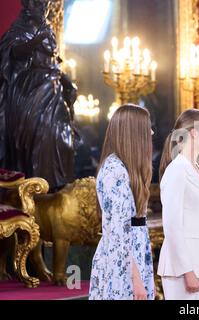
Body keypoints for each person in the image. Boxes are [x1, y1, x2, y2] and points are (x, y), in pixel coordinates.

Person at [0, 0, 77, 191]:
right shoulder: (19, 29)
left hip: (52, 88)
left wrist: (67, 81)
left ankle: (56, 185)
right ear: (27, 6)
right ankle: (36, 187)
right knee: (42, 135)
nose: (43, 8)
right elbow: (12, 53)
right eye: (38, 4)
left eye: (46, 4)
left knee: (62, 135)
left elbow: (53, 61)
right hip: (30, 89)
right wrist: (35, 40)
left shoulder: (47, 29)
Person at [89, 104, 155, 300]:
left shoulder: (123, 168)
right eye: (147, 128)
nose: (151, 132)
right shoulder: (114, 171)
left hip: (132, 258)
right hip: (123, 266)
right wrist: (136, 279)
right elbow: (119, 232)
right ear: (134, 133)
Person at [157, 109, 199, 300]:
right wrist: (188, 270)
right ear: (194, 133)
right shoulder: (177, 170)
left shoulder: (198, 169)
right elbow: (172, 225)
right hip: (182, 270)